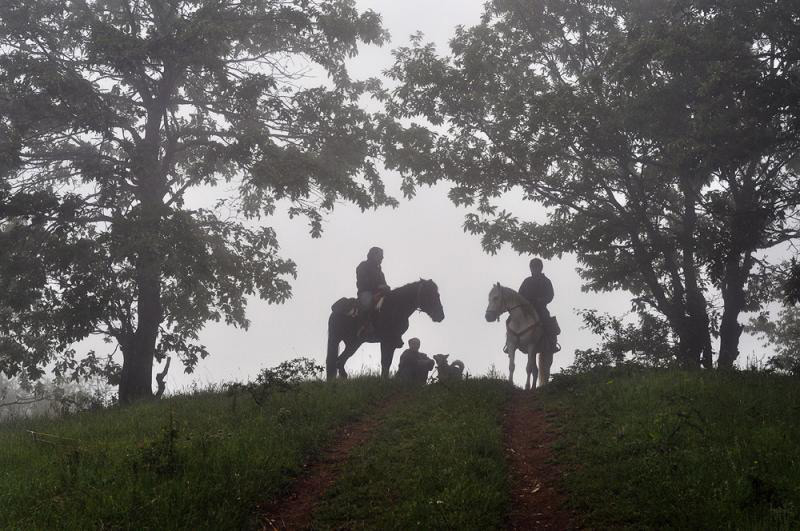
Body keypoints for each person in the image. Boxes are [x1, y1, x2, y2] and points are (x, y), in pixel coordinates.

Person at [518, 258, 558, 351]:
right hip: (526, 308)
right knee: (512, 319)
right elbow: (519, 294)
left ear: (540, 268)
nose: (534, 269)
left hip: (540, 308)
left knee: (547, 321)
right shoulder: (526, 281)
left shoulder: (546, 281)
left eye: (536, 267)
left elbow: (550, 295)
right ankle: (510, 343)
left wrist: (541, 300)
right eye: (532, 267)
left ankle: (552, 342)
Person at [356, 246, 388, 336]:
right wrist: (377, 287)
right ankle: (363, 326)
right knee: (368, 303)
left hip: (380, 293)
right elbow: (362, 281)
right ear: (373, 255)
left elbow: (384, 283)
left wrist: (386, 288)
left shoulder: (380, 272)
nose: (382, 258)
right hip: (366, 292)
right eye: (380, 255)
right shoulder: (363, 266)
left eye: (382, 256)